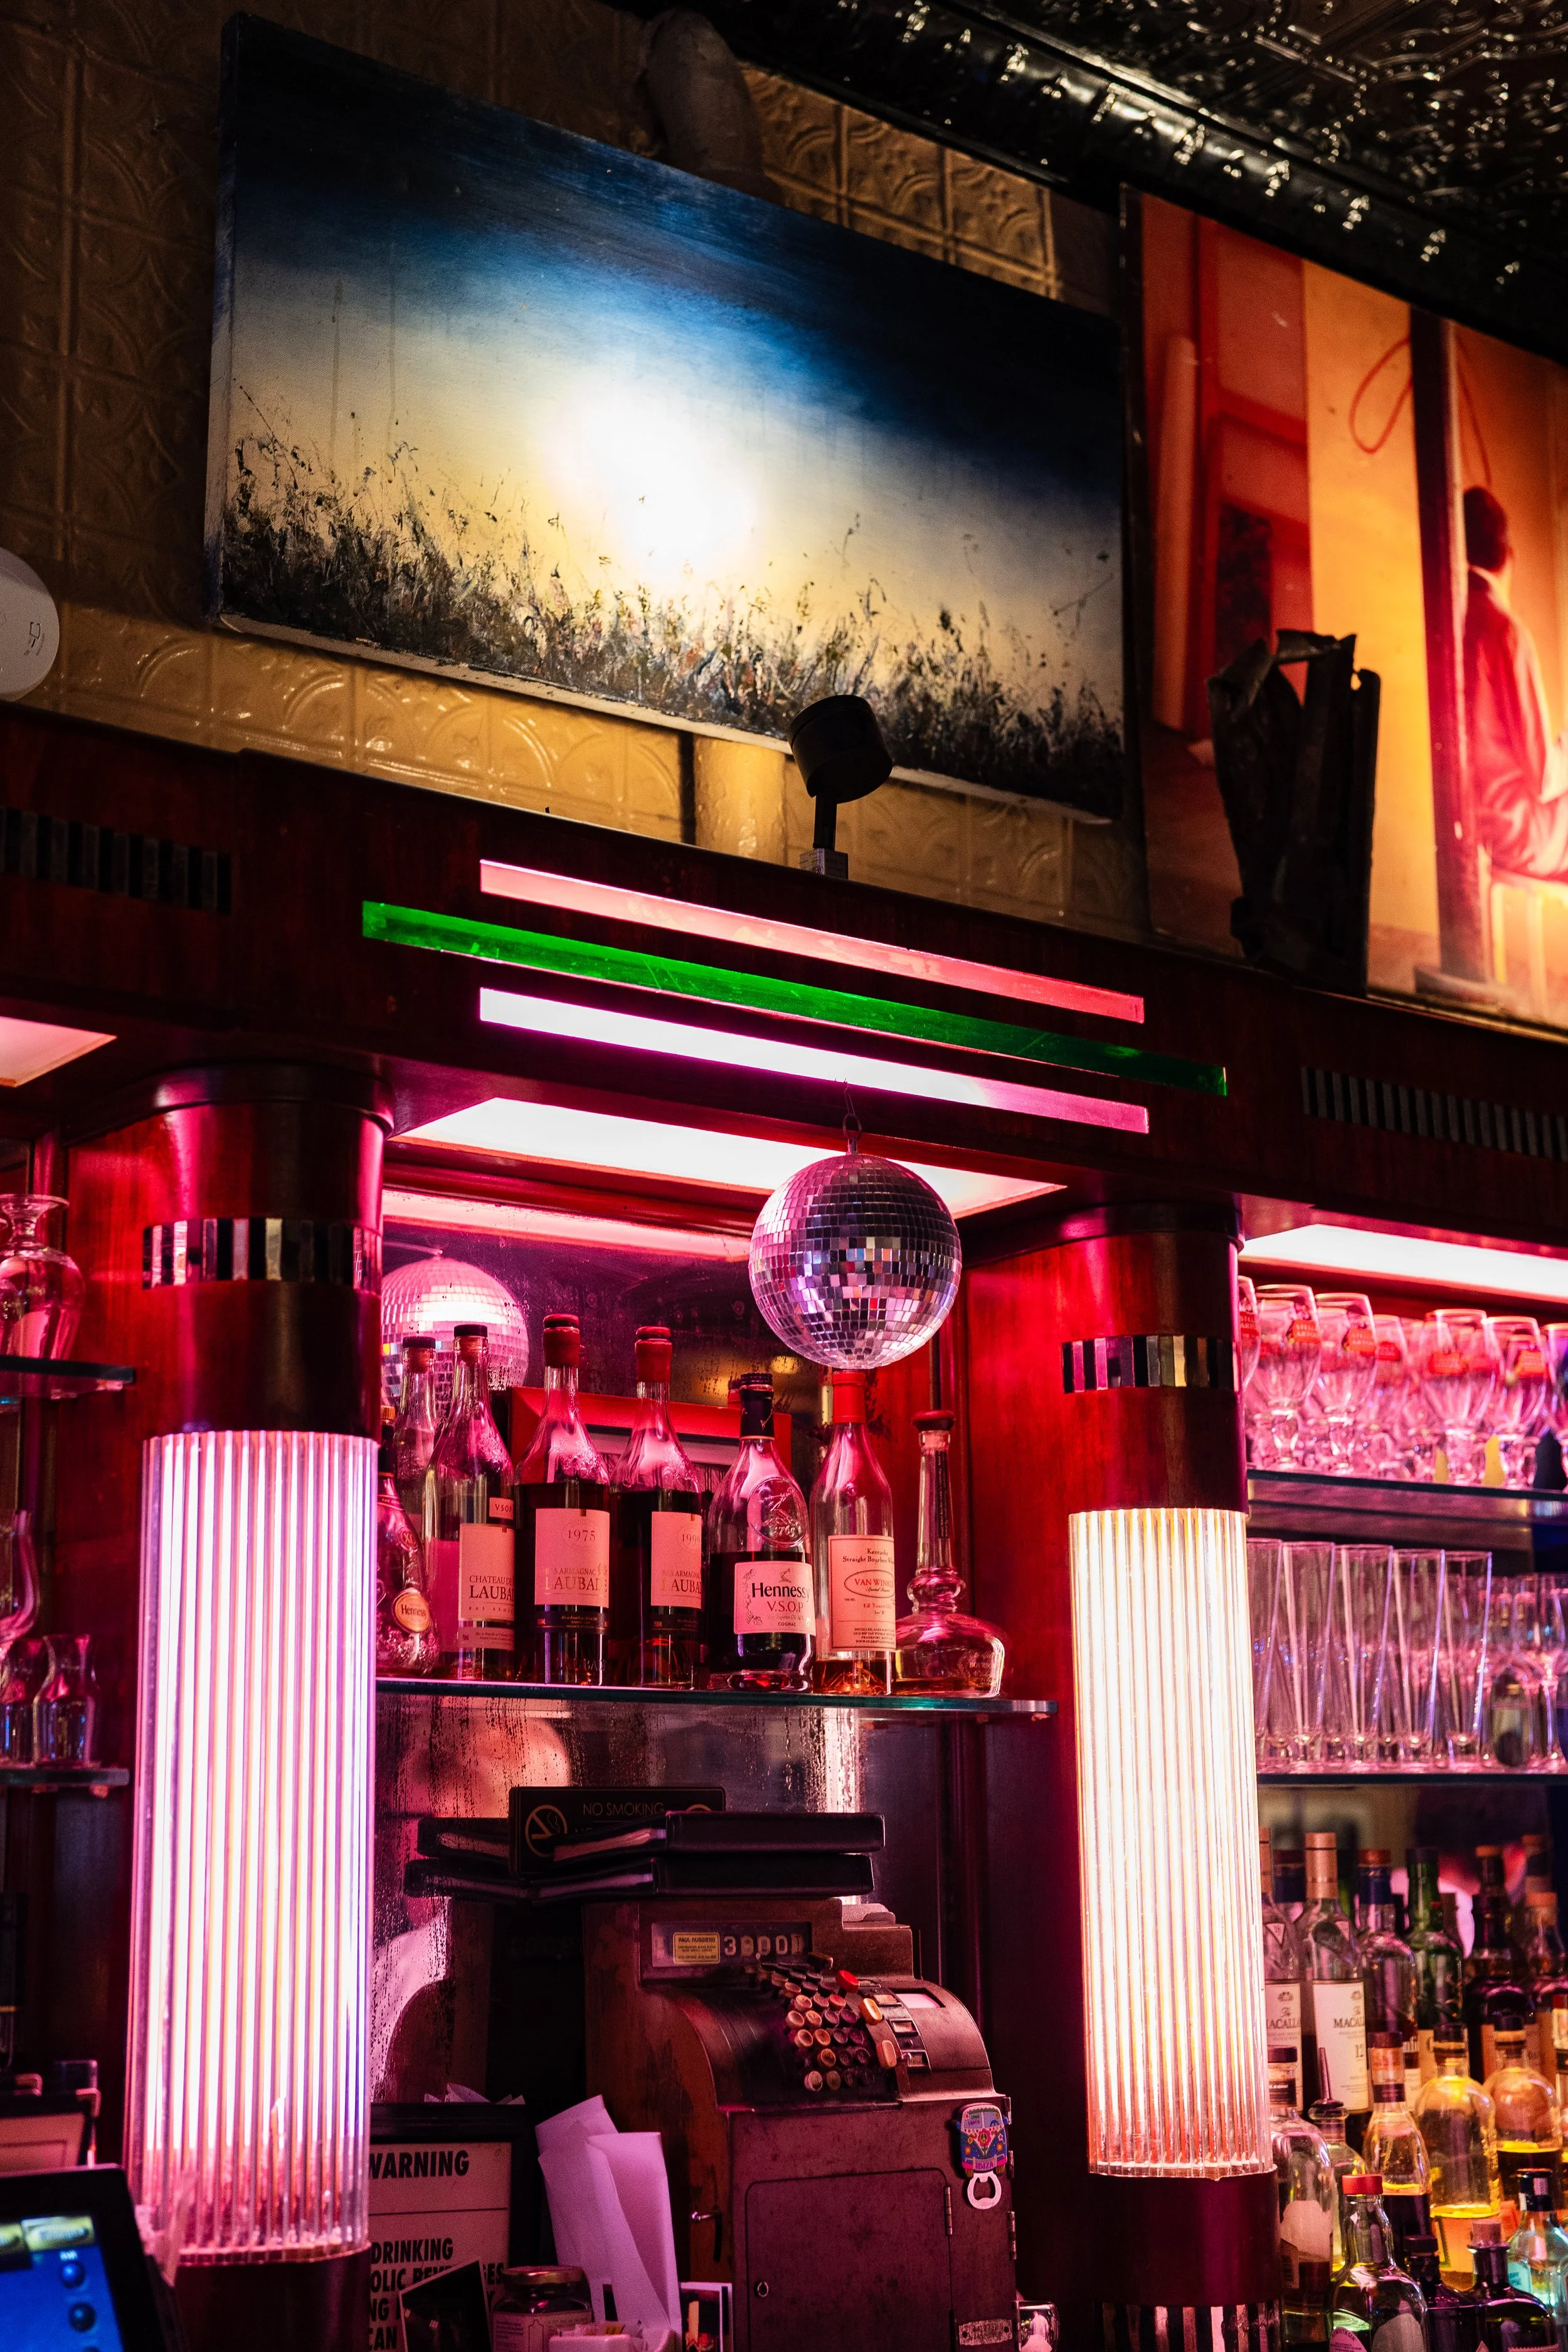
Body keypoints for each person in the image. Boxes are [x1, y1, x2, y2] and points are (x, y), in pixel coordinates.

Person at [1463, 484, 1568, 879]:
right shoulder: (1504, 630)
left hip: (1477, 830)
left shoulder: (1453, 622)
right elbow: (1543, 777)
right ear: (1510, 558)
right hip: (1517, 832)